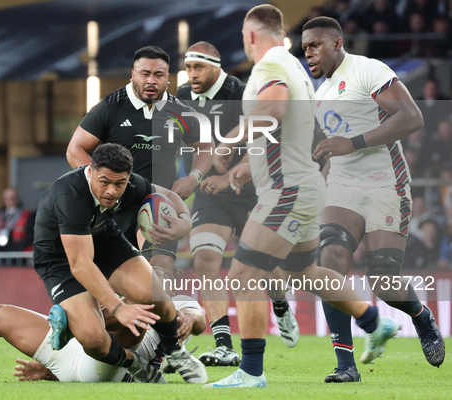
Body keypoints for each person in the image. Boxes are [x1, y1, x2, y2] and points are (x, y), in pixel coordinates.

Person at [206, 5, 401, 389]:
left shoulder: (269, 66)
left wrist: (230, 139)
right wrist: (249, 163)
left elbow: (274, 110)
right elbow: (287, 127)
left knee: (244, 274)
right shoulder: (294, 64)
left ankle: (251, 372)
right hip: (305, 185)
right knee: (304, 272)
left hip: (287, 191)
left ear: (250, 36)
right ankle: (375, 322)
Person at [301, 16, 445, 382]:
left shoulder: (368, 70)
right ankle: (345, 366)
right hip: (343, 185)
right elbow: (333, 149)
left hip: (386, 182)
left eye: (314, 45)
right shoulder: (319, 95)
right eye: (304, 49)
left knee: (383, 282)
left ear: (336, 43)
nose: (308, 54)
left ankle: (421, 317)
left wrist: (352, 143)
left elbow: (412, 118)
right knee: (329, 263)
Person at [33, 143, 207, 384]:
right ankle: (134, 364)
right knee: (93, 339)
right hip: (60, 260)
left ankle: (175, 352)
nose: (112, 191)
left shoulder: (131, 183)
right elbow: (81, 265)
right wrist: (118, 307)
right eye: (105, 182)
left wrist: (185, 222)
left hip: (104, 240)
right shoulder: (70, 195)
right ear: (91, 171)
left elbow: (168, 196)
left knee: (155, 292)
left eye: (119, 184)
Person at [176, 41, 299, 367]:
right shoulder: (182, 96)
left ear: (216, 66)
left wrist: (233, 172)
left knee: (263, 268)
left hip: (250, 190)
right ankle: (223, 346)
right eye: (188, 68)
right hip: (209, 191)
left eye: (198, 67)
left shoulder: (242, 91)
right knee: (204, 258)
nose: (192, 74)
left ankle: (282, 304)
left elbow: (263, 134)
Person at [66, 45, 213, 274]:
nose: (151, 81)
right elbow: (75, 149)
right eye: (145, 74)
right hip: (114, 211)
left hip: (158, 207)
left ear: (167, 79)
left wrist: (194, 178)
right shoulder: (110, 107)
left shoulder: (180, 112)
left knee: (159, 275)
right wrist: (102, 186)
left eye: (158, 75)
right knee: (118, 289)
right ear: (133, 75)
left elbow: (206, 146)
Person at [0, 295, 206, 383]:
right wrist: (50, 372)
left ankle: (69, 322)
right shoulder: (121, 281)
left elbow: (198, 317)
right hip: (74, 357)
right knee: (1, 314)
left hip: (112, 363)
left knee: (126, 321)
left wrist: (188, 317)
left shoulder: (168, 300)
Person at [0, 188, 35, 254]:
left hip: (19, 252)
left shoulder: (27, 215)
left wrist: (20, 246)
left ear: (17, 198)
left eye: (12, 198)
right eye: (7, 198)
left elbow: (31, 234)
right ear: (4, 199)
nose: (10, 200)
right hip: (0, 251)